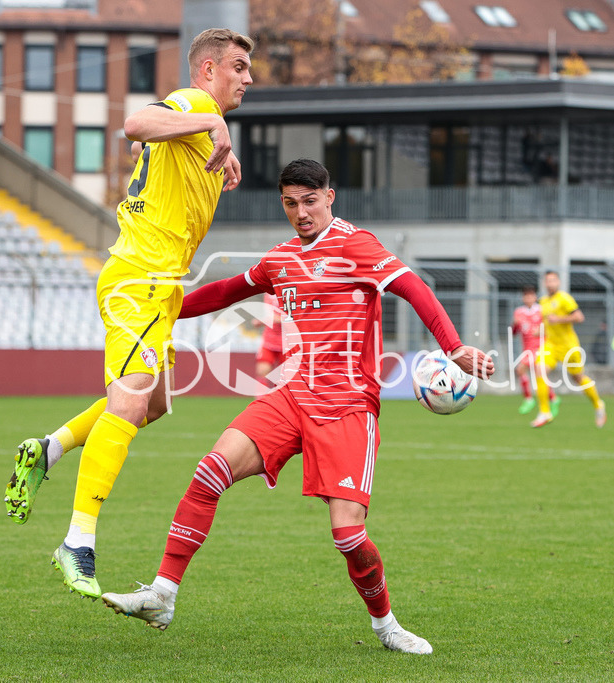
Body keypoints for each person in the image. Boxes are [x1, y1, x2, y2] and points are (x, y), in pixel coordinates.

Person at [99, 159, 494, 654]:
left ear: (331, 196)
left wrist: (454, 347)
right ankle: (162, 593)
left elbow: (415, 290)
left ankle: (386, 625)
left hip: (348, 404)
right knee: (208, 473)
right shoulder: (281, 258)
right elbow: (227, 291)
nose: (301, 213)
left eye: (310, 201)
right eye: (290, 203)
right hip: (291, 396)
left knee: (349, 536)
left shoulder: (357, 246)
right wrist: (163, 308)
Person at [3, 28, 255, 601]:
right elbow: (135, 125)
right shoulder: (194, 105)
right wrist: (209, 122)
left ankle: (49, 449)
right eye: (238, 67)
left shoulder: (197, 127)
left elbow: (149, 146)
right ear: (207, 69)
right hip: (139, 278)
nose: (247, 79)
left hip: (156, 284)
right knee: (133, 397)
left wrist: (215, 143)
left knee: (155, 403)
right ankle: (77, 540)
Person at [530, 270, 606, 428]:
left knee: (578, 378)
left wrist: (559, 319)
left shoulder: (565, 299)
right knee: (539, 369)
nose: (550, 283)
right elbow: (547, 322)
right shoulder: (543, 301)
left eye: (553, 280)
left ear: (558, 282)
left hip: (568, 346)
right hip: (551, 344)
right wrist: (539, 330)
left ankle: (598, 405)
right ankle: (545, 412)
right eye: (547, 281)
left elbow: (579, 317)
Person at [512, 284, 556, 415]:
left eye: (531, 295)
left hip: (541, 347)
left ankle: (531, 399)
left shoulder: (541, 310)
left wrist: (542, 330)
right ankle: (551, 399)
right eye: (526, 296)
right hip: (527, 348)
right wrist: (514, 324)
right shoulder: (519, 312)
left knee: (527, 371)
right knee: (529, 373)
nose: (528, 298)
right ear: (523, 298)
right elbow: (514, 332)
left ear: (535, 297)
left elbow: (551, 327)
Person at [253, 292, 284, 386]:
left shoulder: (291, 290)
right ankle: (261, 400)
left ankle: (282, 399)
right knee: (262, 371)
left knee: (285, 376)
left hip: (288, 343)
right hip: (269, 341)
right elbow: (269, 315)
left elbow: (294, 318)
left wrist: (274, 319)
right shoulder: (267, 294)